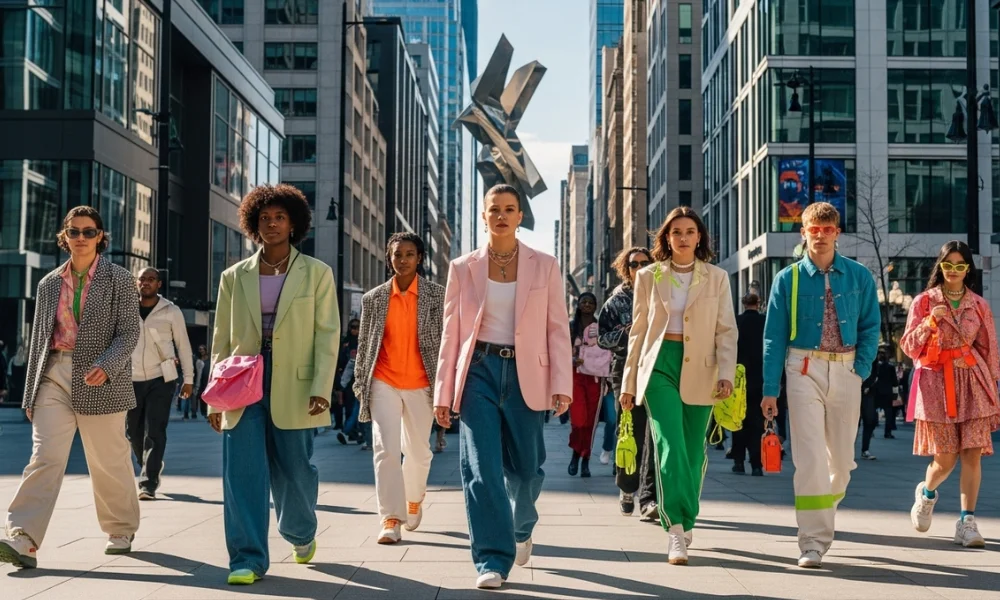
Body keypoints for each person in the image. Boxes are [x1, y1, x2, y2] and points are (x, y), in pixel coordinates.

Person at [434, 184, 573, 589]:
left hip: (527, 372)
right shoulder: (463, 267)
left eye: (509, 209)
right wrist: (444, 393)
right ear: (483, 216)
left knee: (527, 470)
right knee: (482, 468)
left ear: (520, 216)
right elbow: (451, 333)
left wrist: (561, 383)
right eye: (494, 209)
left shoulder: (544, 264)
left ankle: (522, 524)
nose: (501, 216)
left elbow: (557, 328)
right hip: (477, 369)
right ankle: (491, 560)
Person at [208, 184, 339, 585]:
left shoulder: (316, 273)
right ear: (253, 223)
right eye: (264, 218)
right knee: (242, 473)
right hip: (242, 385)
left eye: (280, 217)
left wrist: (321, 386)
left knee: (295, 471)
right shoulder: (234, 276)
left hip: (296, 384)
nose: (271, 224)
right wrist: (214, 398)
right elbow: (221, 339)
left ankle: (301, 533)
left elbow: (327, 333)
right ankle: (246, 558)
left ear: (294, 223)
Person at [0, 206, 141, 568]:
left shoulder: (120, 279)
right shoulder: (48, 283)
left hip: (101, 376)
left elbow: (129, 332)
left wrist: (107, 365)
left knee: (108, 460)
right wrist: (30, 391)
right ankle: (23, 537)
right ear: (65, 236)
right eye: (74, 232)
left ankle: (120, 528)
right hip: (55, 375)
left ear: (100, 237)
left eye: (89, 232)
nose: (81, 238)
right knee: (44, 456)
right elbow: (39, 341)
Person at [761, 201, 881, 569]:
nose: (821, 235)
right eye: (814, 229)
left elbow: (870, 326)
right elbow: (773, 337)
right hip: (803, 368)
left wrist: (859, 369)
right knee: (809, 457)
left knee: (842, 463)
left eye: (828, 229)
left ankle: (822, 511)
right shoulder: (788, 278)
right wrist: (770, 388)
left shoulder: (859, 276)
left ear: (837, 234)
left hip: (846, 369)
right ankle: (812, 541)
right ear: (804, 233)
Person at [619, 206, 738, 566]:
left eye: (689, 231)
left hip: (703, 367)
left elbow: (726, 330)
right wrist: (628, 381)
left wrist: (726, 374)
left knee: (693, 451)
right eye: (676, 232)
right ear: (666, 239)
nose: (683, 238)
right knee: (668, 446)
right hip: (659, 367)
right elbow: (638, 331)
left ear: (699, 237)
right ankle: (675, 529)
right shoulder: (649, 277)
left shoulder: (717, 277)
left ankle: (689, 515)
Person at [901, 240, 999, 548]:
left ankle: (967, 522)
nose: (953, 271)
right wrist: (930, 322)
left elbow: (989, 348)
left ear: (967, 269)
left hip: (973, 380)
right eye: (948, 265)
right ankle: (927, 494)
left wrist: (993, 385)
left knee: (972, 453)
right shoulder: (923, 302)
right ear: (940, 266)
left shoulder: (979, 305)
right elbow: (909, 346)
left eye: (959, 266)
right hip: (936, 384)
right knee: (944, 459)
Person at [352, 233, 444, 545]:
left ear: (420, 258)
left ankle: (414, 497)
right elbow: (364, 346)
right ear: (389, 258)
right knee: (385, 449)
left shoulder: (438, 296)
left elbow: (445, 345)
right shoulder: (374, 299)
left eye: (409, 254)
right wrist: (359, 382)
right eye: (397, 255)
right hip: (383, 381)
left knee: (418, 453)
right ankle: (390, 518)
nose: (402, 260)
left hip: (422, 383)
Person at [598, 246, 658, 519]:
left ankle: (650, 498)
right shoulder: (616, 301)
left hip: (658, 368)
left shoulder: (662, 294)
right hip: (625, 371)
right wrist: (626, 335)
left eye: (646, 263)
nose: (641, 267)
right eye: (635, 264)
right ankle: (626, 487)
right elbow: (602, 338)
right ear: (627, 268)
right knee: (630, 431)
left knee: (655, 435)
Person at [127, 268, 194, 500]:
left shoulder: (171, 311)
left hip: (161, 379)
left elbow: (183, 346)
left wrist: (188, 380)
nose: (146, 283)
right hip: (131, 378)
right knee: (132, 433)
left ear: (159, 284)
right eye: (142, 279)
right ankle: (149, 463)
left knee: (155, 431)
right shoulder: (126, 308)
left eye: (151, 279)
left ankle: (148, 482)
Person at [568, 292, 604, 478]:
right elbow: (560, 350)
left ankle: (585, 461)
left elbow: (607, 351)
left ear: (596, 306)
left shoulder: (600, 327)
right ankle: (575, 453)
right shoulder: (570, 327)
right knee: (578, 421)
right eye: (584, 302)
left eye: (591, 302)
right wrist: (572, 359)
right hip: (575, 378)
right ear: (579, 305)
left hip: (595, 379)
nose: (587, 305)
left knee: (591, 423)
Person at [731, 291, 766, 476]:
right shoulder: (764, 322)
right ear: (758, 303)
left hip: (739, 379)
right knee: (757, 423)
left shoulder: (736, 322)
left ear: (743, 304)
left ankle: (738, 461)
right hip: (760, 379)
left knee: (738, 420)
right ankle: (756, 464)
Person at [335, 319, 360, 444]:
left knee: (358, 408)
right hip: (349, 380)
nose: (354, 330)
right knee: (351, 407)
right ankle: (350, 432)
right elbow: (345, 363)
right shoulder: (346, 343)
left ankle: (352, 432)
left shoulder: (363, 341)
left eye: (356, 327)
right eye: (352, 327)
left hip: (360, 379)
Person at [874, 350, 900, 439]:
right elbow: (895, 382)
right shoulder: (890, 367)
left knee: (873, 410)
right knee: (889, 413)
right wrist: (896, 393)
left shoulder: (876, 367)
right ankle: (887, 432)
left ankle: (871, 430)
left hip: (877, 391)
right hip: (888, 392)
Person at [860, 362, 879, 460]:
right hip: (852, 388)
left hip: (868, 392)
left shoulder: (872, 351)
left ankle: (865, 450)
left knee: (869, 421)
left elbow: (875, 373)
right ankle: (848, 450)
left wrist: (867, 386)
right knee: (851, 423)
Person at [192, 344, 210, 419]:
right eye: (200, 349)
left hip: (207, 381)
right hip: (199, 381)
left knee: (206, 397)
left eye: (202, 349)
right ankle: (196, 412)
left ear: (205, 350)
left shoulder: (209, 360)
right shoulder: (198, 361)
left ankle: (206, 412)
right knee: (198, 397)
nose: (201, 350)